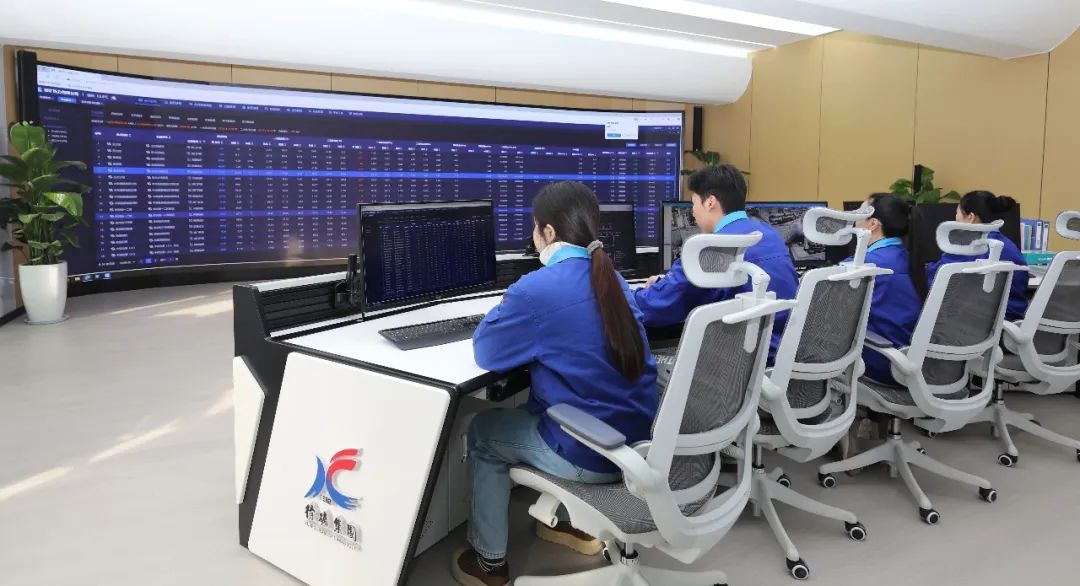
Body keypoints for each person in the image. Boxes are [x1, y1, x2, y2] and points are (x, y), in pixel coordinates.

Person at [452, 182, 659, 586]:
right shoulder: (615, 282)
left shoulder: (537, 289)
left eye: (535, 228)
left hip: (590, 454)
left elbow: (486, 352)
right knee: (556, 402)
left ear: (547, 232)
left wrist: (510, 306)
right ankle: (572, 526)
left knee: (483, 432)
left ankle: (489, 563)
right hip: (637, 448)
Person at [634, 164, 798, 369]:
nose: (693, 212)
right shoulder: (770, 234)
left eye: (694, 204)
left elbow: (656, 306)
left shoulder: (710, 249)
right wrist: (665, 282)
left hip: (734, 368)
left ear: (710, 202)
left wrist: (623, 291)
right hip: (779, 358)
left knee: (639, 366)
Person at [853, 194, 926, 387]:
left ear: (873, 224)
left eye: (860, 212)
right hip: (912, 362)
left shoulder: (864, 265)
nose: (854, 218)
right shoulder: (910, 259)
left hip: (880, 364)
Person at [927, 190, 1028, 320]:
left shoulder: (965, 248)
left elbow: (935, 280)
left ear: (971, 217)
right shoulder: (1010, 247)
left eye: (957, 213)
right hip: (1008, 322)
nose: (955, 218)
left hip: (969, 323)